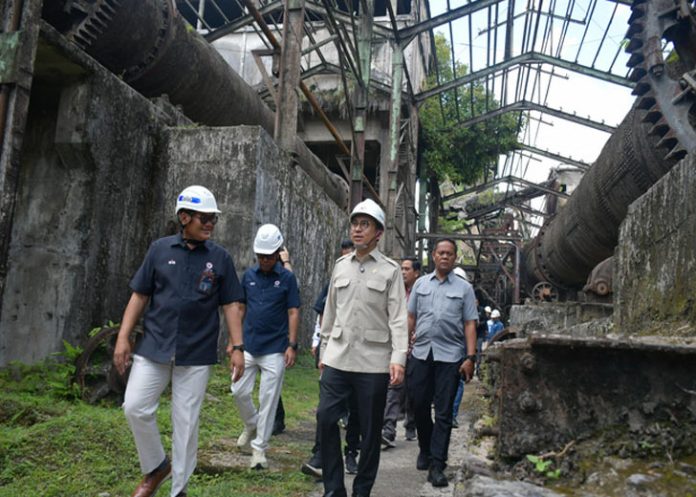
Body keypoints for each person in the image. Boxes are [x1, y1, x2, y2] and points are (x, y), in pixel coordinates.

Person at [113, 185, 245, 497]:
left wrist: (238, 347)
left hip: (196, 351)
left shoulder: (220, 258)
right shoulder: (159, 250)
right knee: (134, 406)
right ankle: (157, 466)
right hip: (154, 346)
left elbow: (231, 304)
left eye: (213, 219)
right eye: (204, 218)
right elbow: (140, 295)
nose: (210, 224)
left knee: (186, 423)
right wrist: (123, 337)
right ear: (184, 217)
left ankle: (179, 490)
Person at [317, 199, 408, 497]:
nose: (357, 229)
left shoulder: (390, 270)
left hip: (373, 362)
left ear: (378, 233)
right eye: (355, 224)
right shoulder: (340, 266)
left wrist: (398, 358)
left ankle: (361, 491)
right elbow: (330, 311)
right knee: (326, 418)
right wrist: (323, 350)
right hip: (338, 357)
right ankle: (334, 490)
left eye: (365, 224)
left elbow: (398, 318)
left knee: (370, 433)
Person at [407, 238, 478, 488]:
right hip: (421, 354)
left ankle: (437, 465)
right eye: (441, 253)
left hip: (450, 357)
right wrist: (402, 348)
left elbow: (470, 323)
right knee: (418, 405)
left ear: (455, 258)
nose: (445, 256)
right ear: (434, 256)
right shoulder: (420, 284)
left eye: (449, 253)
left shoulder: (464, 289)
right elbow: (411, 317)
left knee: (444, 412)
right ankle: (425, 448)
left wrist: (470, 357)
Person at [232, 224, 300, 469]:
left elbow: (293, 312)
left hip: (275, 349)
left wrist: (292, 345)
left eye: (269, 256)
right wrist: (235, 344)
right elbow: (240, 309)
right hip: (249, 345)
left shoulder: (287, 279)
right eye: (261, 256)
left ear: (278, 253)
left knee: (268, 399)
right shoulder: (248, 276)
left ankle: (259, 449)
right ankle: (251, 423)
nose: (264, 260)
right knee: (238, 390)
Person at [302, 240, 362, 478]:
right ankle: (320, 455)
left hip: (362, 356)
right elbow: (324, 316)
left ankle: (351, 451)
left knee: (356, 408)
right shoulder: (336, 279)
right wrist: (321, 347)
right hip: (335, 353)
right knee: (326, 408)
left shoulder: (378, 277)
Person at [381, 257, 421, 447]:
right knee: (394, 386)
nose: (403, 272)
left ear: (416, 273)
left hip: (416, 349)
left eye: (407, 269)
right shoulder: (393, 289)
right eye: (402, 269)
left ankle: (411, 424)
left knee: (413, 389)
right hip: (396, 348)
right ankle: (388, 429)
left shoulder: (421, 291)